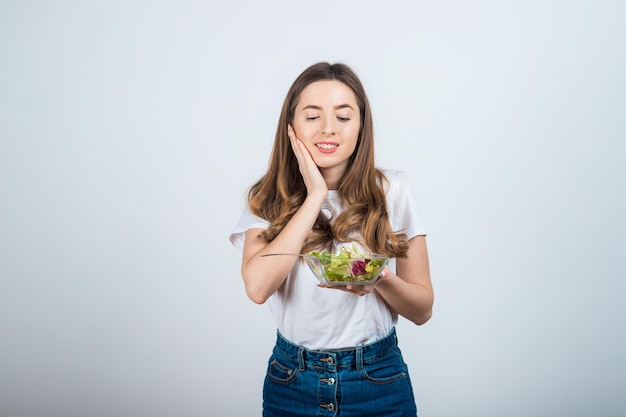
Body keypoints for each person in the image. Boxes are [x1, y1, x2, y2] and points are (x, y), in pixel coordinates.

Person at [229, 62, 433, 417]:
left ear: (361, 126)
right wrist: (314, 197)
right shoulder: (266, 198)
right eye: (312, 116)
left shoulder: (393, 190)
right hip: (292, 380)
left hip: (378, 378)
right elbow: (258, 288)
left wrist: (380, 280)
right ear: (291, 128)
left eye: (343, 116)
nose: (328, 129)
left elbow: (423, 309)